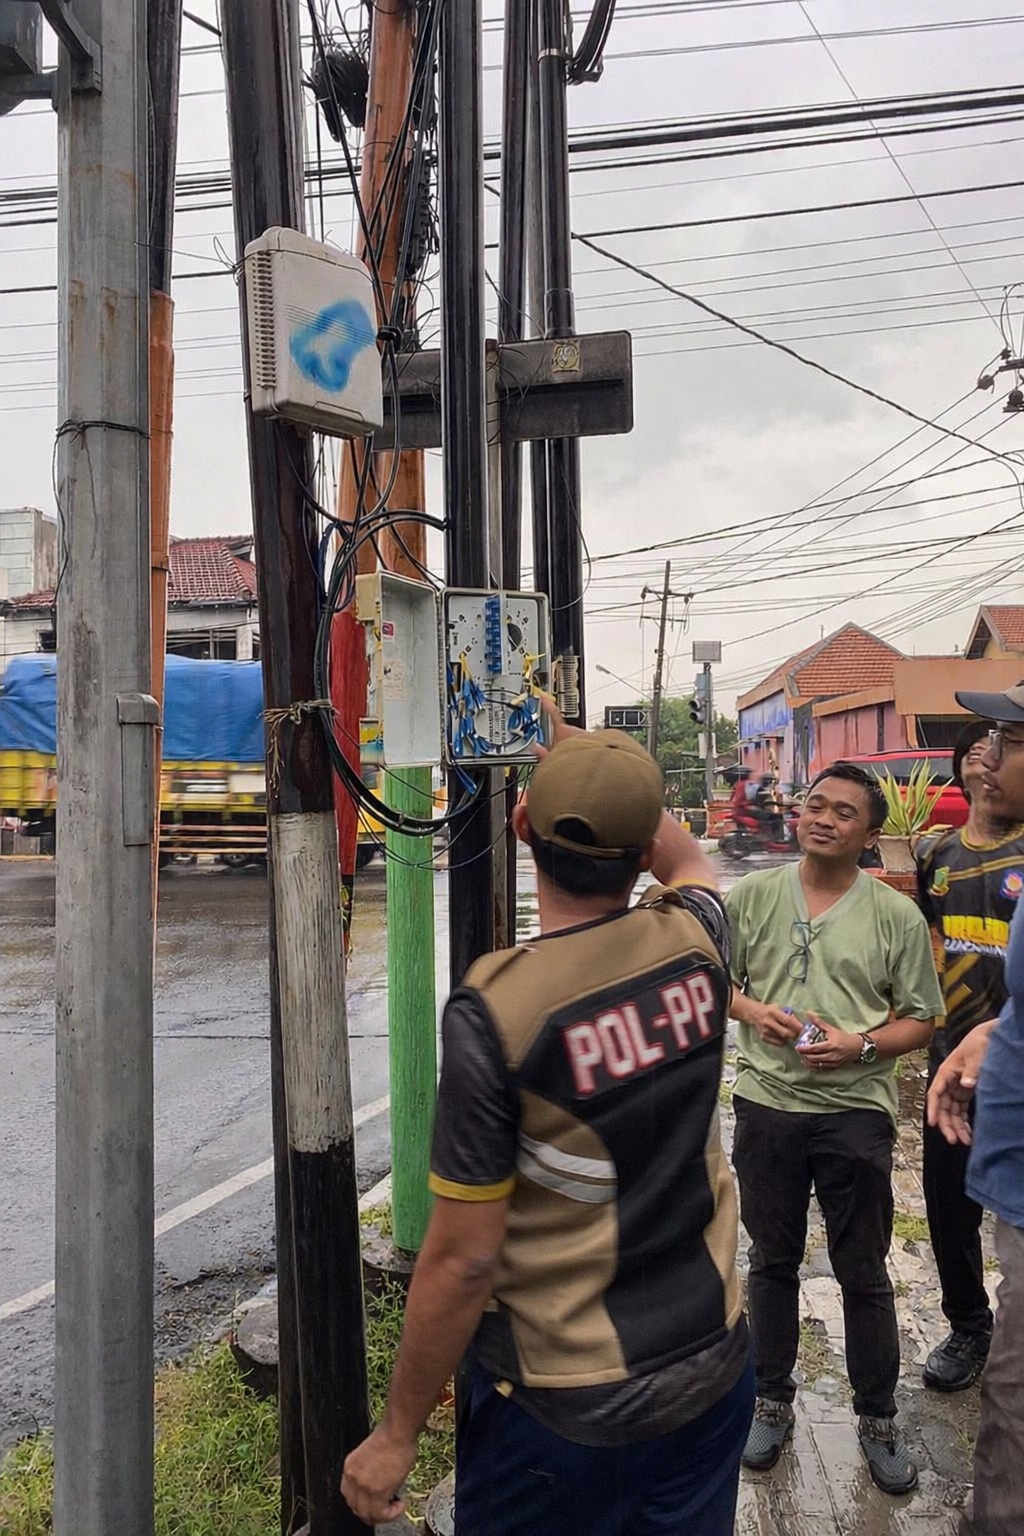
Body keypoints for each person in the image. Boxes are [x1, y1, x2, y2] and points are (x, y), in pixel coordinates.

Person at [342, 722, 753, 1534]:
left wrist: (396, 1435)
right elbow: (688, 859)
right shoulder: (698, 940)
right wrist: (602, 758)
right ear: (639, 855)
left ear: (520, 823)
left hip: (562, 1412)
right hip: (712, 1367)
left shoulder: (499, 1010)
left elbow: (462, 1259)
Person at [725, 761, 943, 1495]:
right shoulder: (752, 897)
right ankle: (771, 1399)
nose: (822, 818)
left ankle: (878, 1420)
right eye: (814, 805)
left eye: (843, 812)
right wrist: (753, 1011)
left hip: (855, 1113)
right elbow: (709, 979)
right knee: (771, 1261)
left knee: (863, 1271)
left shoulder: (894, 916)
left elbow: (921, 1017)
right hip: (767, 1105)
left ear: (871, 834)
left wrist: (862, 1046)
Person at [928, 683, 1024, 1536]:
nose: (985, 759)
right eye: (981, 744)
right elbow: (931, 939)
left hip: (1004, 1079)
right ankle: (967, 1325)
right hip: (954, 1062)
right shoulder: (937, 855)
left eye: (1005, 742)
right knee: (949, 1206)